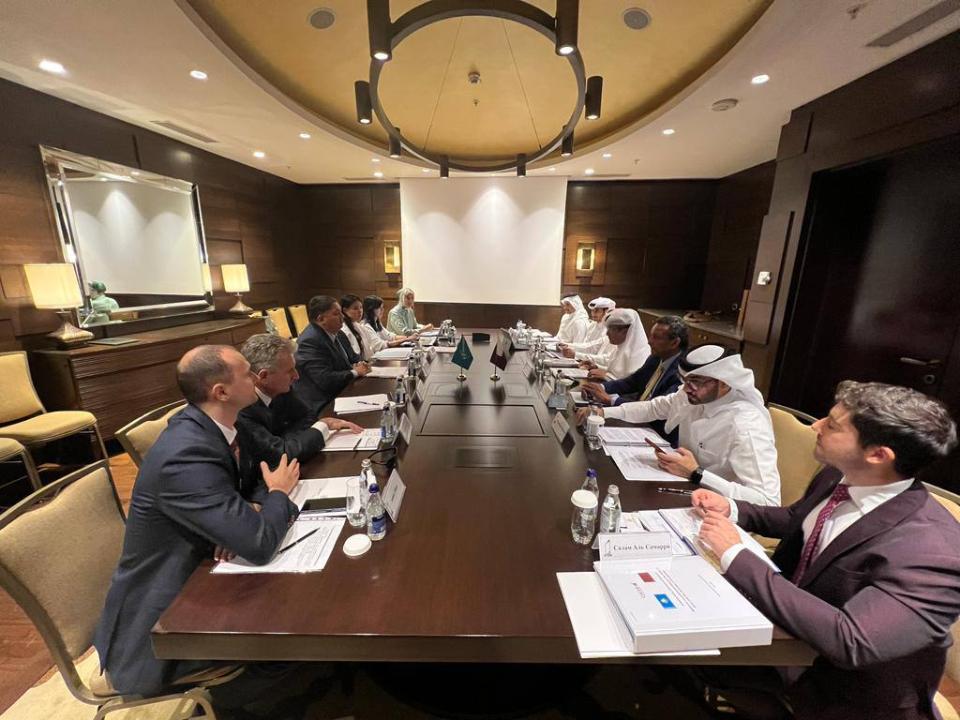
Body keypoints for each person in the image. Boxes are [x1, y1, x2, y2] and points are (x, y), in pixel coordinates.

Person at [693, 381, 960, 720]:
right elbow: (798, 519)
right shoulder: (840, 475)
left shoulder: (934, 551)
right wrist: (732, 509)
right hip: (790, 646)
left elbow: (851, 640)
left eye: (832, 425)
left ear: (878, 455)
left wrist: (735, 555)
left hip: (851, 696)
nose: (815, 426)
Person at [93, 345, 301, 700]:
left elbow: (253, 481)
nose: (256, 378)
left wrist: (244, 511)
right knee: (291, 631)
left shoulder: (220, 425)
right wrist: (278, 494)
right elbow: (259, 542)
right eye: (247, 373)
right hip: (163, 626)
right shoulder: (185, 453)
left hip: (205, 572)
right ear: (221, 392)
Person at [580, 344, 780, 506]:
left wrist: (697, 474)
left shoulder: (746, 425)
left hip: (719, 511)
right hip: (682, 488)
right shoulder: (692, 394)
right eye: (684, 381)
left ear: (724, 382)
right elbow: (654, 408)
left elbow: (767, 501)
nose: (686, 389)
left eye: (696, 382)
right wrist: (603, 412)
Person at [238, 333, 361, 466]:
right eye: (289, 371)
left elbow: (308, 417)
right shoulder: (242, 407)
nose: (296, 376)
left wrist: (287, 441)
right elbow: (281, 455)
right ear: (264, 376)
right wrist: (323, 425)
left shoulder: (281, 388)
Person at [580, 315, 687, 444]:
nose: (649, 341)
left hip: (657, 434)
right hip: (635, 420)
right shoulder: (655, 358)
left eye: (656, 337)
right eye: (650, 336)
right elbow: (632, 381)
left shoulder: (684, 373)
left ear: (674, 343)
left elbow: (656, 409)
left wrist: (611, 400)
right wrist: (601, 388)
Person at [293, 295, 370, 413]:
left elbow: (340, 365)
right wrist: (355, 372)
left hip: (339, 393)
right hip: (322, 404)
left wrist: (353, 367)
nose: (342, 317)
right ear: (321, 319)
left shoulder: (333, 333)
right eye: (336, 314)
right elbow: (324, 379)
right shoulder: (310, 341)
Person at [579, 308, 651, 381]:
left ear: (625, 331)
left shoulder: (638, 354)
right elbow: (613, 369)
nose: (607, 333)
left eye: (611, 329)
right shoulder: (621, 347)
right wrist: (595, 366)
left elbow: (631, 384)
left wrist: (607, 376)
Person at [559, 297, 616, 365]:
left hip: (595, 365)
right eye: (592, 311)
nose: (593, 313)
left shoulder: (613, 330)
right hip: (588, 362)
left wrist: (575, 354)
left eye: (596, 311)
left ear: (607, 312)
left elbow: (606, 359)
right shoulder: (593, 325)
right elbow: (589, 346)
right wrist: (567, 346)